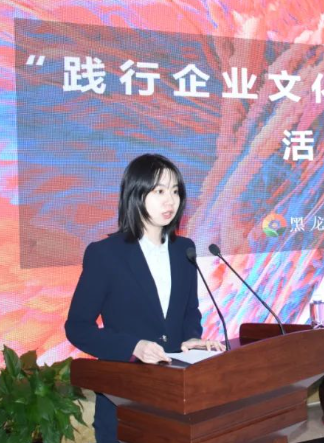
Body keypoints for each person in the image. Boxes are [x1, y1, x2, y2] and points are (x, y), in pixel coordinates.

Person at [65, 153, 224, 443]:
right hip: (124, 403)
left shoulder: (184, 249)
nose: (170, 201)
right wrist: (133, 346)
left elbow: (189, 310)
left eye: (175, 191)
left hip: (175, 403)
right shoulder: (105, 254)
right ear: (136, 194)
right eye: (159, 191)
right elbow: (77, 327)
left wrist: (191, 338)